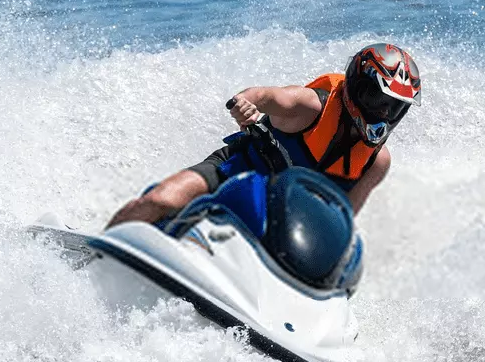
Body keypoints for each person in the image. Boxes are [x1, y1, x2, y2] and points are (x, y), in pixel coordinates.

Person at [106, 43, 422, 228]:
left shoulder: (376, 162)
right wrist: (245, 105)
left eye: (394, 108)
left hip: (283, 216)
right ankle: (97, 251)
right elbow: (263, 95)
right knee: (159, 200)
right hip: (234, 172)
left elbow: (343, 220)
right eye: (378, 100)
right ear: (356, 86)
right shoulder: (309, 106)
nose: (383, 113)